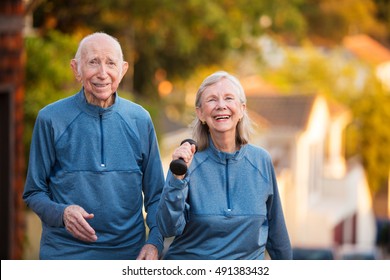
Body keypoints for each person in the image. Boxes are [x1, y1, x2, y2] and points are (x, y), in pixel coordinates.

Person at [23, 32, 165, 260]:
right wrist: (62, 213)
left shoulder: (140, 119)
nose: (102, 73)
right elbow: (34, 192)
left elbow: (157, 195)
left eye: (111, 63)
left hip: (128, 255)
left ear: (123, 69)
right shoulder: (50, 119)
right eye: (93, 62)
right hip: (65, 255)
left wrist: (155, 241)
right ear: (76, 69)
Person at [157, 71, 292, 260]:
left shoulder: (261, 161)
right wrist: (177, 178)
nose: (221, 106)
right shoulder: (188, 162)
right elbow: (167, 227)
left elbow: (277, 233)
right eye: (212, 100)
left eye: (229, 98)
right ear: (200, 113)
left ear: (242, 109)